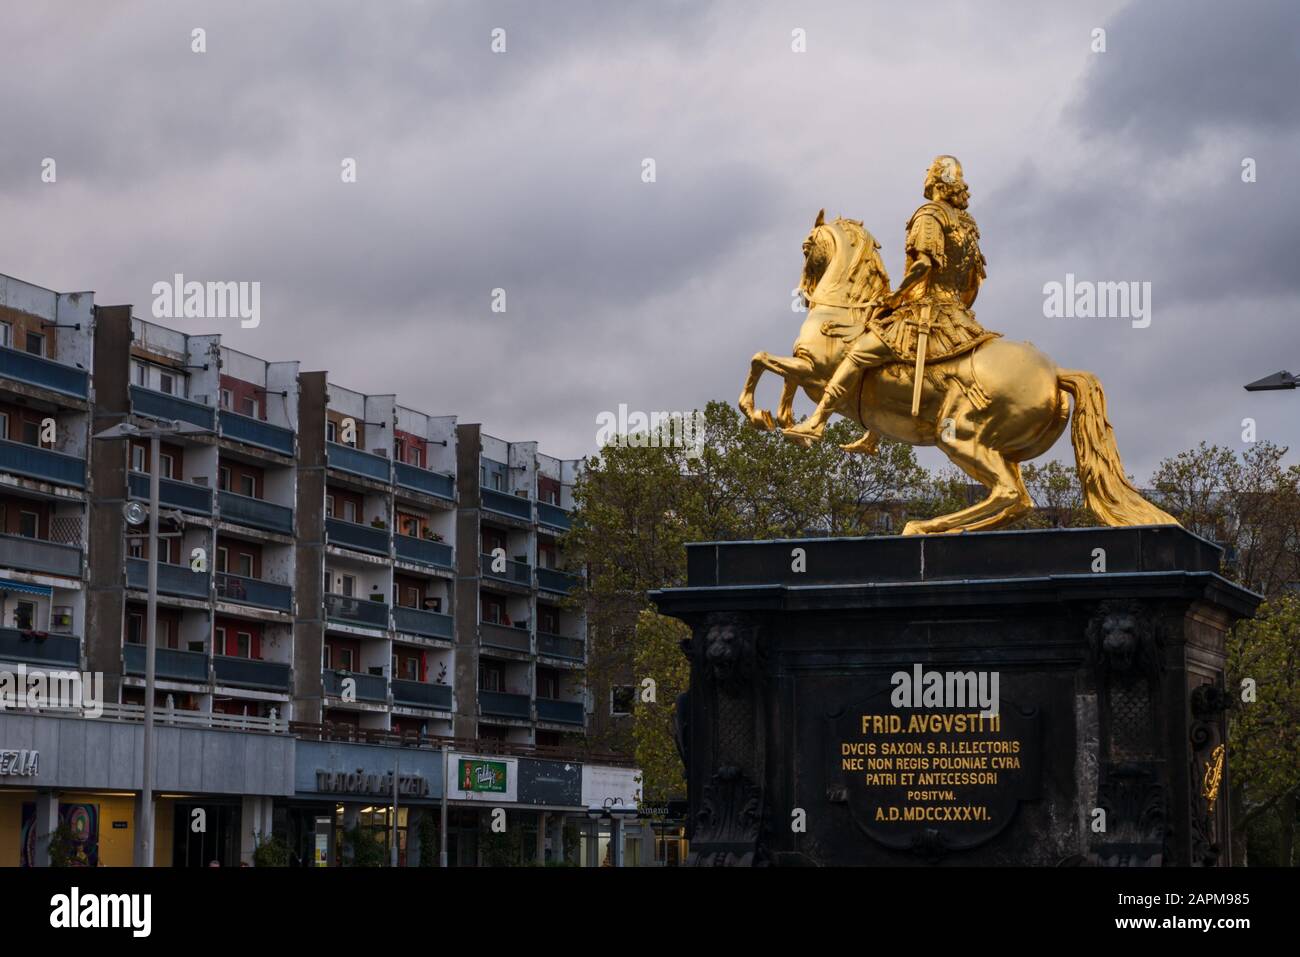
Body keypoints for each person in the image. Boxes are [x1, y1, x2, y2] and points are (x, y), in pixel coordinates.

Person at [783, 155, 998, 440]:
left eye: (928, 170)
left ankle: (816, 422)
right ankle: (873, 434)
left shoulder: (930, 214)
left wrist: (896, 297)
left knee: (857, 355)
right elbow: (972, 282)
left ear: (934, 178)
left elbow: (923, 266)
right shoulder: (967, 225)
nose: (924, 174)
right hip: (960, 318)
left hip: (927, 311)